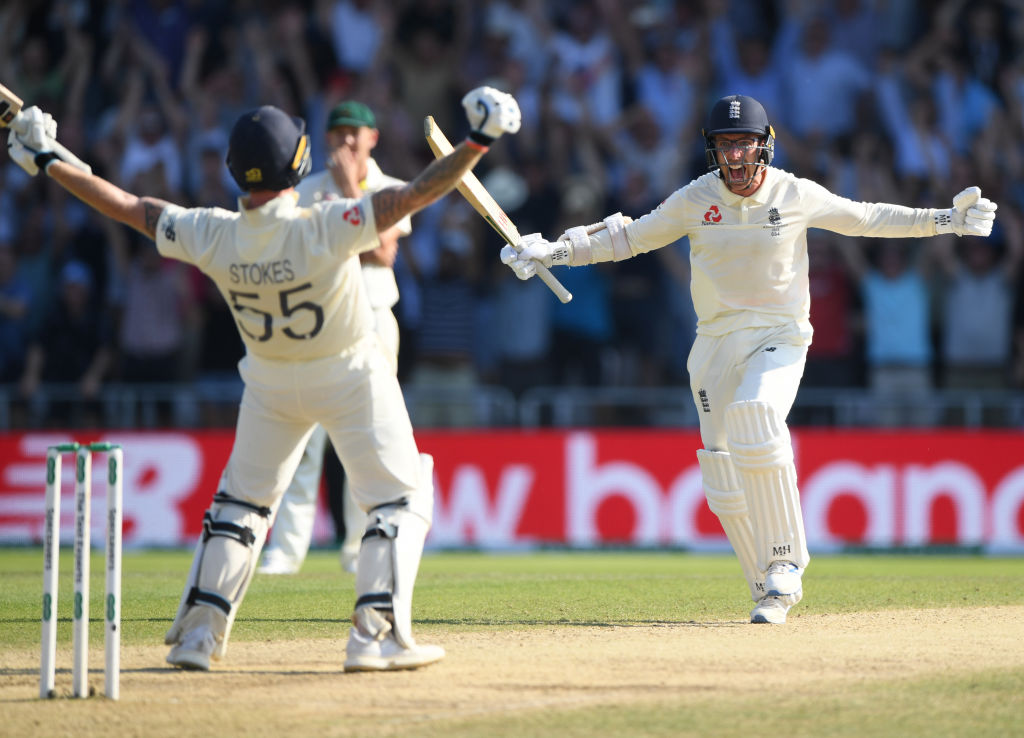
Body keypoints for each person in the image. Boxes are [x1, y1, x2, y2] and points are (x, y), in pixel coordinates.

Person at [7, 86, 521, 669]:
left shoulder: (214, 232)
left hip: (271, 385)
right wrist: (479, 140)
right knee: (400, 498)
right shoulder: (325, 226)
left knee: (241, 506)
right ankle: (371, 639)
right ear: (300, 163)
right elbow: (419, 193)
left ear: (233, 169)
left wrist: (50, 160)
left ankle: (200, 638)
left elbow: (126, 205)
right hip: (350, 372)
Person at [501, 94, 997, 624]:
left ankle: (785, 562)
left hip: (779, 334)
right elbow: (629, 237)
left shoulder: (794, 193)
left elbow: (868, 217)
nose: (735, 157)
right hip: (714, 343)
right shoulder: (696, 198)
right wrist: (551, 251)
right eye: (724, 145)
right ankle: (764, 586)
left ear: (765, 146)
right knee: (720, 469)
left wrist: (948, 219)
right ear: (712, 150)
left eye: (744, 144)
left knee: (757, 416)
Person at [259, 100, 415, 576]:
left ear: (373, 139)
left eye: (357, 133)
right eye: (340, 133)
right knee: (305, 440)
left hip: (371, 317)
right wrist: (349, 234)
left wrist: (350, 192)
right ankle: (285, 552)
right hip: (317, 321)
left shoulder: (390, 188)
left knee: (365, 437)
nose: (348, 141)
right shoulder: (304, 191)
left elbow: (382, 252)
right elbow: (299, 255)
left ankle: (357, 547)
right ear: (328, 139)